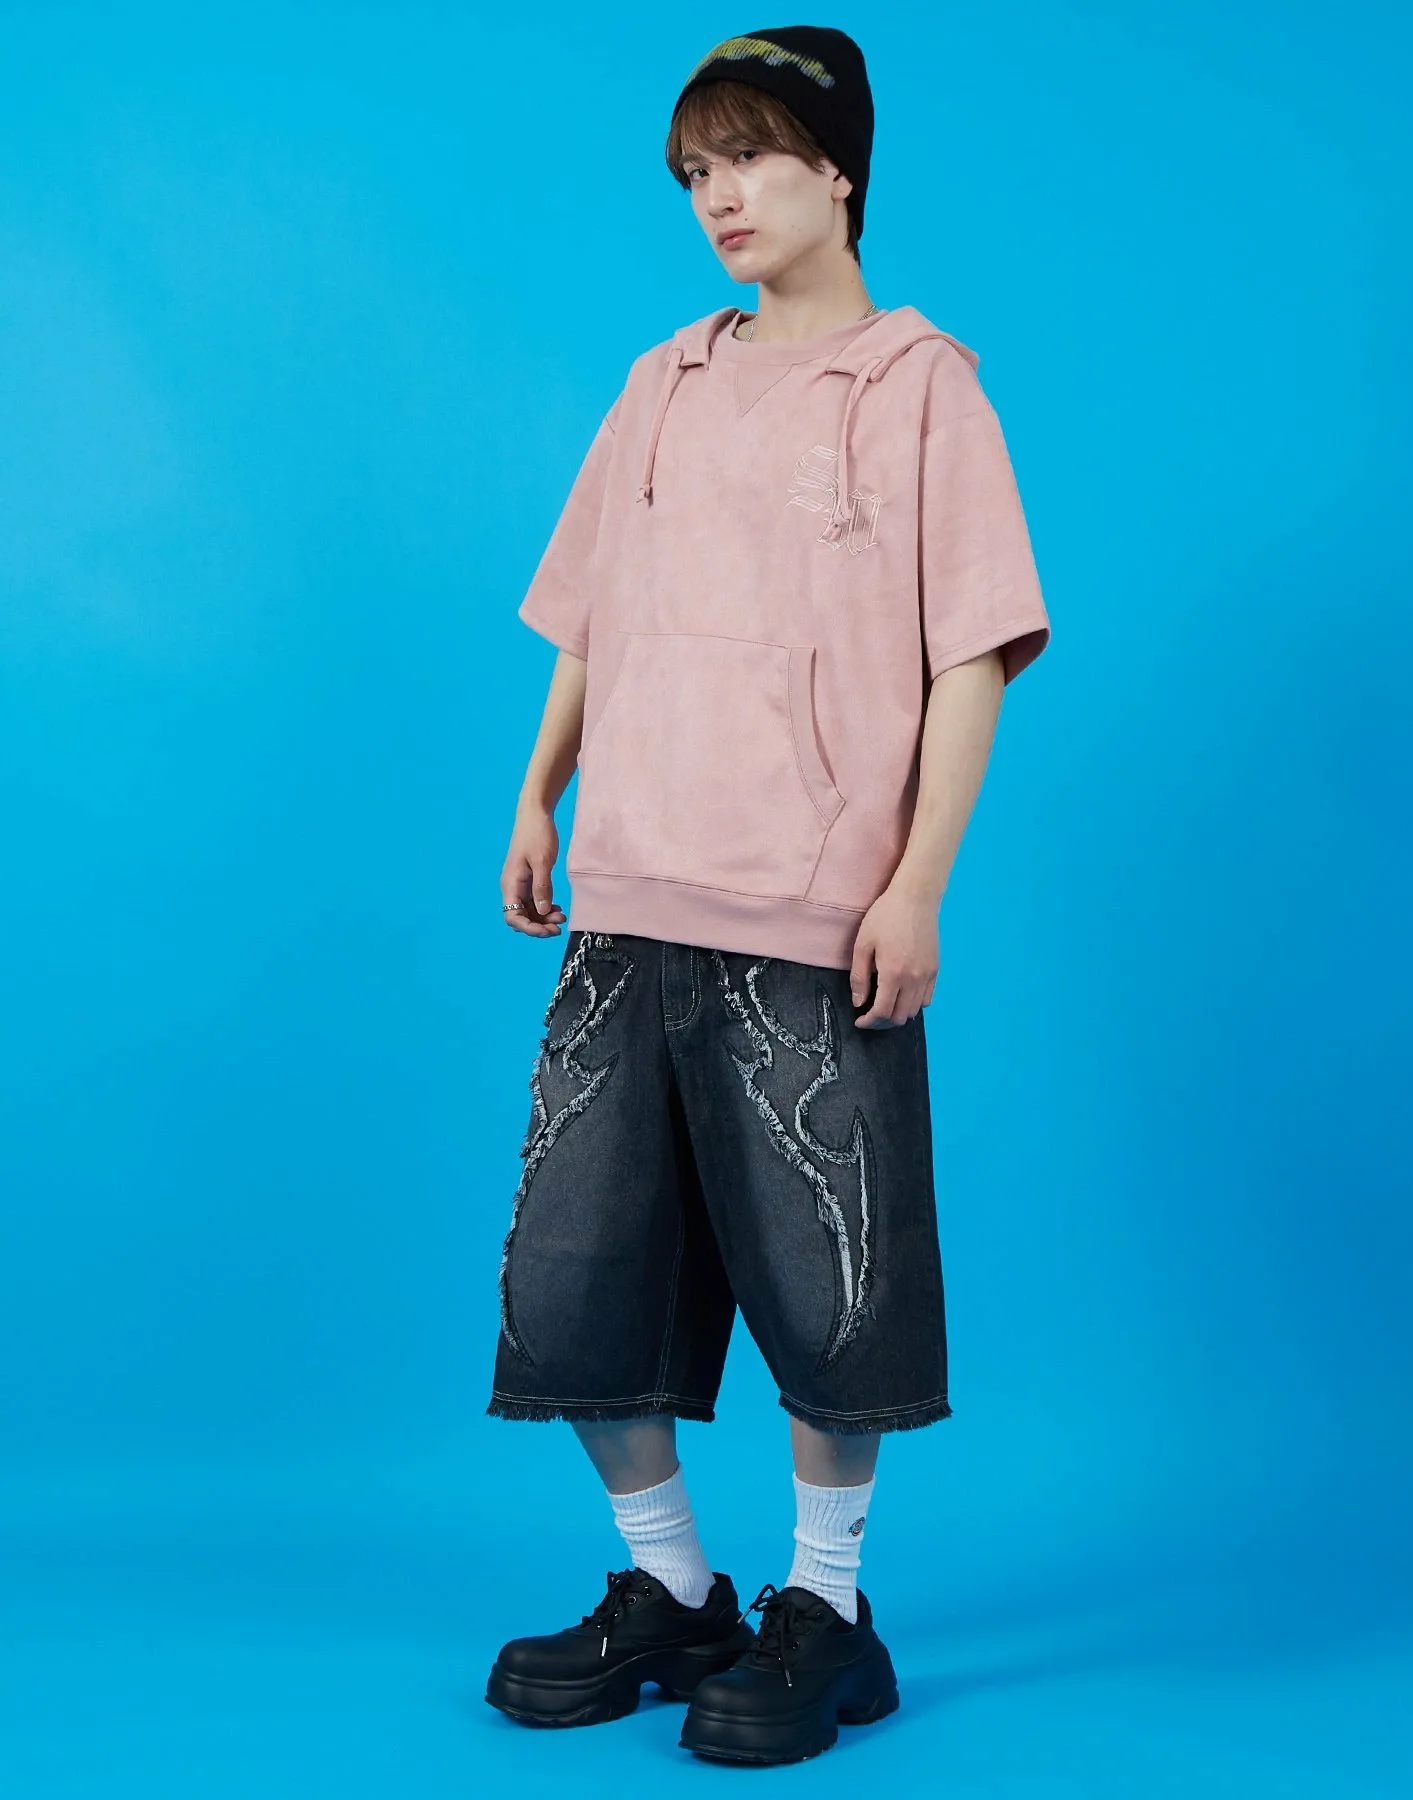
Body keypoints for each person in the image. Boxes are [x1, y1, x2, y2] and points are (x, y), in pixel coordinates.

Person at [481, 23, 1051, 1767]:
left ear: (838, 170)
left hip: (808, 911)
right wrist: (538, 792)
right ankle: (671, 1584)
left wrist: (917, 883)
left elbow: (971, 657)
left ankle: (828, 1606)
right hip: (629, 893)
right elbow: (593, 610)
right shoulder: (660, 382)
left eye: (748, 157)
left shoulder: (922, 387)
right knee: (578, 1276)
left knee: (830, 1278)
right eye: (694, 171)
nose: (718, 196)